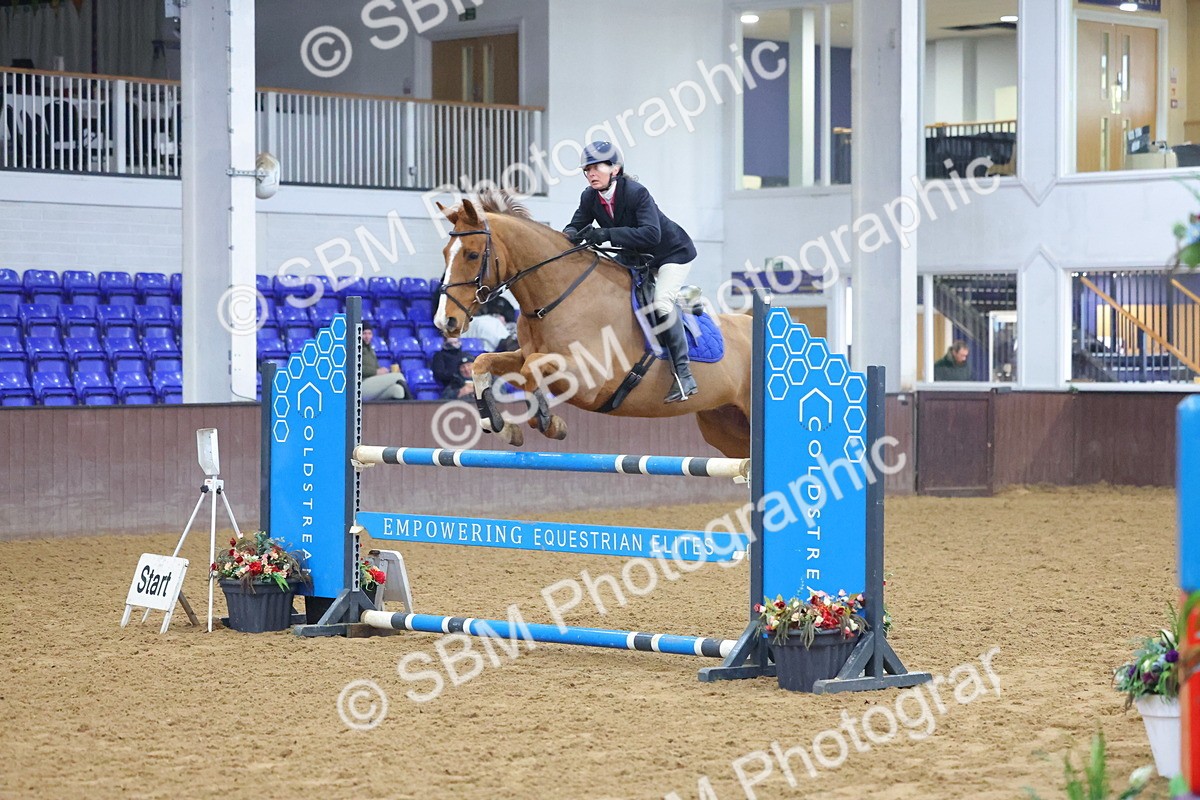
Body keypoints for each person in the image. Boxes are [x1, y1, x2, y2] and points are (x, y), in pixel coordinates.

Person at [562, 141, 699, 403]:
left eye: (595, 168)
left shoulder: (637, 193)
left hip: (670, 254)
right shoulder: (589, 197)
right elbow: (576, 224)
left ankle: (684, 375)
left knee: (661, 303)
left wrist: (606, 234)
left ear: (615, 169)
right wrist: (565, 237)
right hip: (634, 254)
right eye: (586, 170)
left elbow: (651, 233)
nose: (590, 174)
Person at [359, 325, 410, 401]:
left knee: (397, 390)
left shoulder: (371, 351)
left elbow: (377, 369)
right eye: (364, 333)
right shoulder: (355, 349)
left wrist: (385, 372)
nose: (367, 336)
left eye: (369, 333)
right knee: (398, 376)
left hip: (373, 384)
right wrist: (376, 371)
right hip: (361, 385)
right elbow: (356, 368)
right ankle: (413, 403)